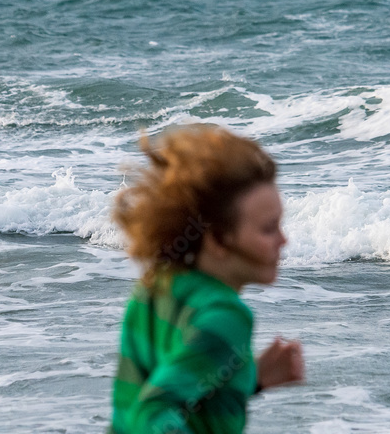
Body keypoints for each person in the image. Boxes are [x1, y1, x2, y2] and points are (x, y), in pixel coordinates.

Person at [108, 124, 304, 434]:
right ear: (217, 240)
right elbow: (152, 413)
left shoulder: (153, 288)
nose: (284, 240)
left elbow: (179, 390)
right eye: (268, 229)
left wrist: (250, 378)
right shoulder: (227, 316)